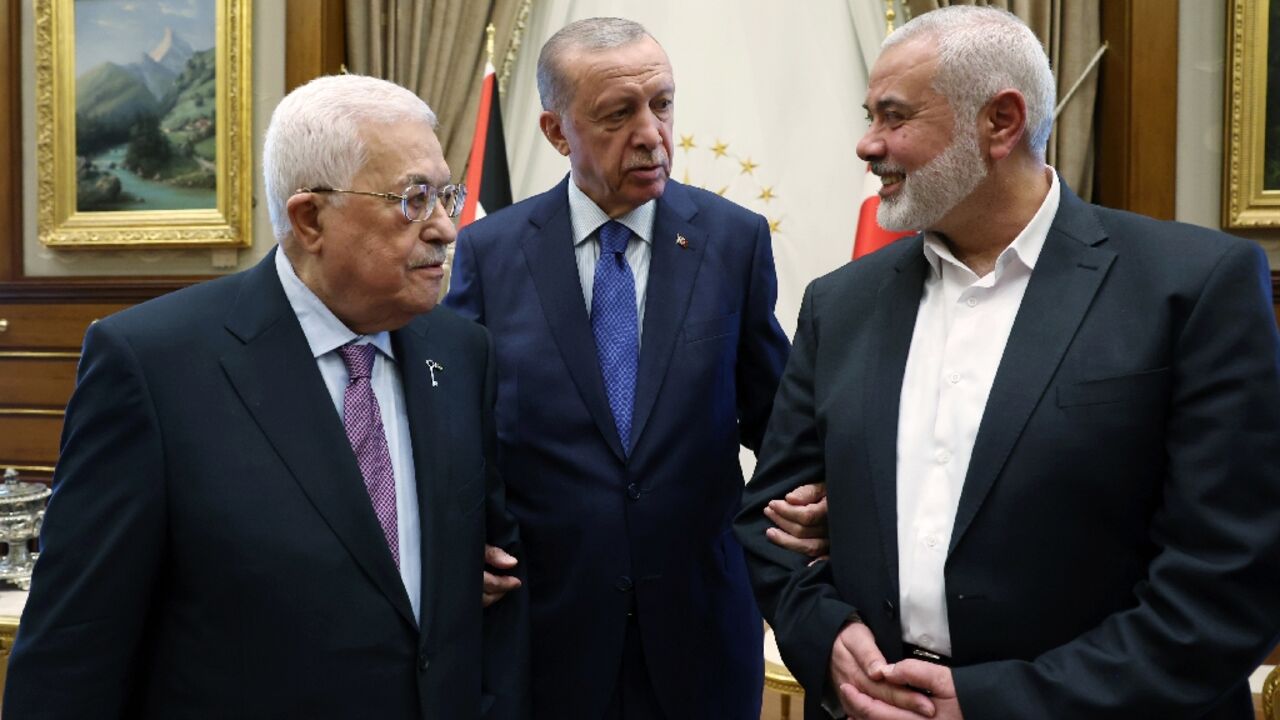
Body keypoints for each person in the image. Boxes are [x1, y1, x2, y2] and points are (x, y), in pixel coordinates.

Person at [735, 6, 1280, 720]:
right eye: (869, 115)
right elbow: (768, 526)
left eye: (894, 117)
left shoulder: (1191, 288)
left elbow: (1225, 588)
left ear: (1000, 121)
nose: (867, 145)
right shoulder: (842, 303)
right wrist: (829, 638)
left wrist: (991, 704)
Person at [4, 75, 528, 719]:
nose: (447, 229)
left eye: (447, 195)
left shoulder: (460, 350)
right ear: (310, 218)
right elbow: (73, 648)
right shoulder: (154, 365)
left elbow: (484, 587)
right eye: (414, 200)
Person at [445, 16, 827, 719]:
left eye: (663, 103)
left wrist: (814, 507)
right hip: (545, 633)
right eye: (619, 114)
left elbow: (778, 419)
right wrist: (454, 539)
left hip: (700, 630)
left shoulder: (732, 241)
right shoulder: (490, 253)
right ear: (557, 132)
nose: (652, 132)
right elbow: (454, 433)